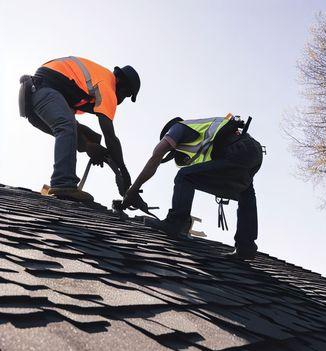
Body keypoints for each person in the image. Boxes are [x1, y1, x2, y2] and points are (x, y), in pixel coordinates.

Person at [121, 114, 263, 260]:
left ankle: (175, 222)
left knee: (185, 176)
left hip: (239, 150)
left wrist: (132, 190)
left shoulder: (178, 128)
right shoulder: (201, 140)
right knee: (245, 194)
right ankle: (246, 246)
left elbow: (156, 156)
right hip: (253, 152)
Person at [19, 56, 140, 201]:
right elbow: (110, 135)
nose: (122, 99)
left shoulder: (86, 87)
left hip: (33, 97)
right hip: (42, 89)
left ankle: (65, 183)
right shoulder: (108, 84)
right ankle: (63, 183)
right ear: (120, 81)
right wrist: (123, 171)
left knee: (87, 135)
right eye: (126, 93)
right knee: (67, 127)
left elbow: (74, 126)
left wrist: (89, 145)